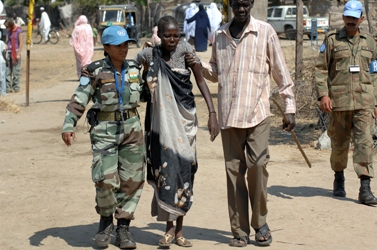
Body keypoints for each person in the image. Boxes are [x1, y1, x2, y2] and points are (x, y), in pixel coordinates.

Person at [196, 0, 296, 247]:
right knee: (234, 175)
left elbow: (281, 72)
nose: (241, 9)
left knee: (258, 168)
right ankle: (240, 231)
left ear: (251, 4)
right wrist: (199, 65)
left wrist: (289, 107)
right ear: (230, 4)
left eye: (245, 4)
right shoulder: (219, 35)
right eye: (236, 4)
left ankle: (260, 223)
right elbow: (217, 70)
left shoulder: (265, 31)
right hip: (229, 117)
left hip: (257, 115)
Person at [134, 16, 219, 247]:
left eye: (175, 35)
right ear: (159, 35)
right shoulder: (150, 54)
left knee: (184, 173)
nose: (172, 40)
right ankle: (168, 231)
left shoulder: (185, 50)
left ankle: (180, 231)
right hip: (161, 127)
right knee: (166, 175)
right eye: (167, 36)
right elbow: (133, 70)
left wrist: (212, 113)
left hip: (184, 122)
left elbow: (200, 81)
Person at [61, 26, 146, 249]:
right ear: (106, 48)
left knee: (132, 180)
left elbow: (147, 93)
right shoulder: (94, 70)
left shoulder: (135, 68)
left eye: (126, 44)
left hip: (132, 129)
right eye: (118, 45)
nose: (124, 49)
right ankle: (106, 221)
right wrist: (68, 124)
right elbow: (80, 98)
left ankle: (124, 227)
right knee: (106, 180)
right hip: (105, 131)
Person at [315, 0, 377, 205]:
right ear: (343, 17)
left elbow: (375, 73)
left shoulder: (370, 42)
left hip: (364, 102)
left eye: (354, 17)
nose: (351, 21)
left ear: (361, 18)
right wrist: (324, 95)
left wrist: (375, 102)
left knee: (365, 143)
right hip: (339, 103)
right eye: (347, 17)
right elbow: (321, 69)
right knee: (339, 145)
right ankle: (339, 177)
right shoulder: (332, 40)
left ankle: (365, 187)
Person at [4, 19, 22, 93]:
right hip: (8, 52)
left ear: (11, 26)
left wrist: (18, 54)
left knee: (16, 71)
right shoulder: (9, 31)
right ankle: (8, 87)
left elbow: (21, 43)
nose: (6, 28)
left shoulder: (18, 31)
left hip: (16, 52)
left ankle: (16, 87)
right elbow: (8, 40)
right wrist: (5, 44)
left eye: (7, 27)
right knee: (8, 70)